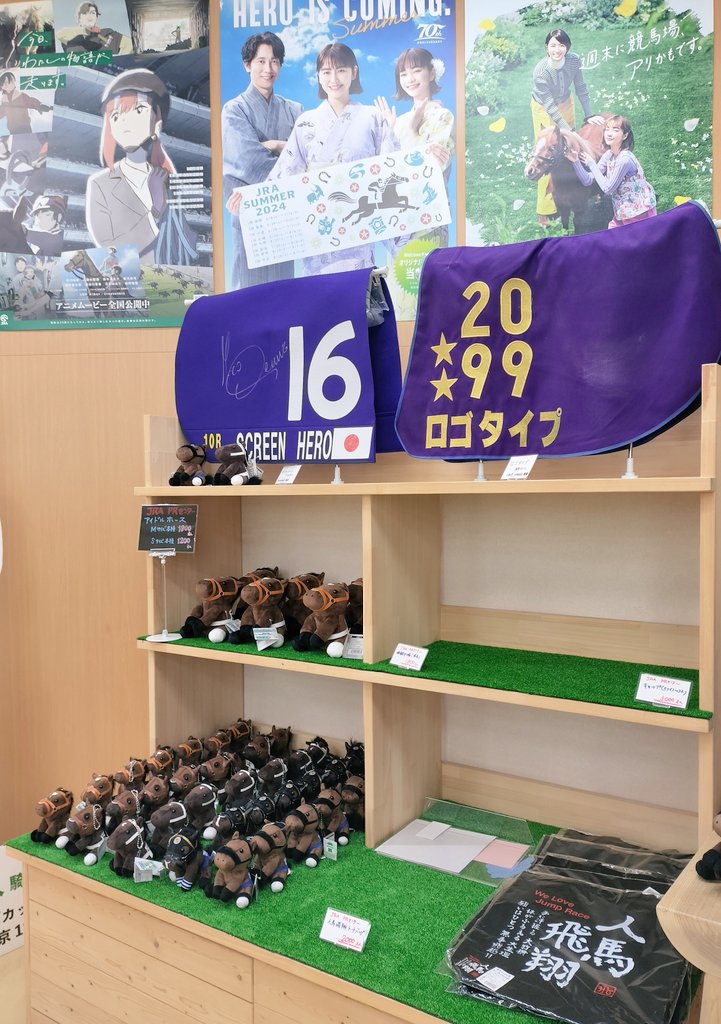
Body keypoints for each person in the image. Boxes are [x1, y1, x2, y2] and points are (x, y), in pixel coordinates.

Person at [268, 41, 400, 276]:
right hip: (319, 225)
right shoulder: (306, 122)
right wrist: (251, 201)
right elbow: (285, 175)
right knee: (319, 293)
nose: (334, 79)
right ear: (318, 76)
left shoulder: (373, 118)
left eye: (341, 70)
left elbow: (392, 170)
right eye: (326, 72)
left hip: (359, 224)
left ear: (353, 72)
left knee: (358, 289)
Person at [86, 68, 197, 264]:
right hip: (127, 278)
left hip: (170, 275)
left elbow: (186, 241)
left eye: (138, 110)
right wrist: (155, 211)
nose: (124, 121)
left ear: (157, 121)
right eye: (115, 115)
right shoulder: (99, 184)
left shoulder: (167, 178)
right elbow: (109, 249)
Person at [375, 46, 454, 317]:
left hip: (427, 219)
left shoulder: (442, 116)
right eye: (403, 73)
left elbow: (433, 164)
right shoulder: (399, 122)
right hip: (399, 221)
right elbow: (386, 172)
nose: (409, 79)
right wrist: (390, 132)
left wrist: (408, 151)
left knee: (425, 296)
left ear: (431, 73)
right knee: (400, 296)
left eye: (416, 70)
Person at [222, 31, 302, 290]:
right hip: (249, 215)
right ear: (247, 65)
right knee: (249, 295)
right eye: (261, 61)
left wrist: (275, 145)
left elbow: (305, 159)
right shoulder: (234, 110)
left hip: (285, 219)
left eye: (275, 61)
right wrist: (287, 151)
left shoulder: (295, 110)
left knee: (284, 296)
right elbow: (247, 161)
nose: (269, 69)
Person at [531, 29, 603, 226]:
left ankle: (580, 190)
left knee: (569, 150)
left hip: (566, 104)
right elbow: (549, 106)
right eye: (553, 45)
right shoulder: (540, 72)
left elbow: (581, 88)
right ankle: (545, 209)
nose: (557, 50)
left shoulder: (574, 61)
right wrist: (567, 130)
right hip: (544, 109)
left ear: (567, 47)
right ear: (546, 48)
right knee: (546, 154)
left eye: (561, 45)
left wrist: (589, 115)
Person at [566, 114, 657, 229]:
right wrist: (575, 162)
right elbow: (588, 180)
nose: (609, 133)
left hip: (639, 212)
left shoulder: (625, 160)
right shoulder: (609, 155)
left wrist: (591, 164)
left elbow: (608, 189)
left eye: (615, 130)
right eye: (607, 129)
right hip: (623, 212)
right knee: (613, 236)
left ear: (625, 135)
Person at [62, 2, 132, 55]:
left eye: (93, 13)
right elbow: (60, 35)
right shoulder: (70, 37)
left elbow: (130, 44)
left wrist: (120, 62)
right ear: (79, 19)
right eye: (85, 13)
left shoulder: (107, 33)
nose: (90, 16)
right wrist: (85, 30)